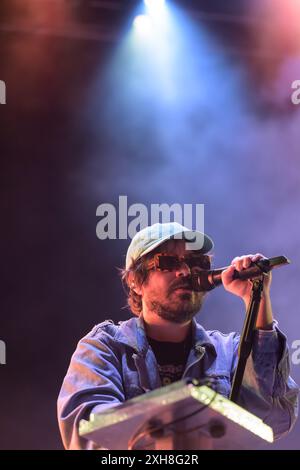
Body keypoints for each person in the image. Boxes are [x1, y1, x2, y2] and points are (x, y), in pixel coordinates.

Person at [57, 222, 299, 449]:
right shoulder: (104, 348)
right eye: (169, 263)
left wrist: (256, 298)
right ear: (135, 282)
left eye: (197, 262)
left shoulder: (229, 352)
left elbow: (271, 416)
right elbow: (89, 432)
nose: (185, 271)